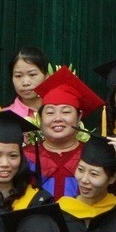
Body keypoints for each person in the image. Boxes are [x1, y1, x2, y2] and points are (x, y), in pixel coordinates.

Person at [23, 66, 104, 201]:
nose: (57, 118)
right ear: (40, 118)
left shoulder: (92, 156)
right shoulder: (25, 157)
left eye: (66, 112)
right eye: (50, 112)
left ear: (79, 117)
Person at [58, 133, 116, 232]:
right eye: (81, 170)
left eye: (94, 174)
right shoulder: (61, 210)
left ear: (112, 178)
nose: (84, 179)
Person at [5, 46, 50, 119]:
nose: (25, 83)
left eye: (32, 74)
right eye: (18, 76)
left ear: (47, 76)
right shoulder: (5, 118)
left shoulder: (59, 114)